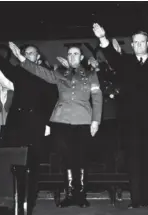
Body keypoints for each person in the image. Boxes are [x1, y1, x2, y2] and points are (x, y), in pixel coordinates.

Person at [8, 41, 103, 208]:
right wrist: (22, 59)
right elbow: (40, 71)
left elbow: (97, 97)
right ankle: (69, 195)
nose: (72, 56)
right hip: (61, 121)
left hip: (83, 120)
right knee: (66, 159)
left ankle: (80, 196)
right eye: (70, 54)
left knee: (80, 158)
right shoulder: (59, 72)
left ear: (81, 57)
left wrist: (96, 121)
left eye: (75, 54)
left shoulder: (91, 74)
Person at [0, 33, 56, 214]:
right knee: (13, 162)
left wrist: (48, 123)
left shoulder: (47, 75)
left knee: (32, 165)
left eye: (32, 53)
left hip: (36, 124)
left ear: (38, 57)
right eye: (26, 52)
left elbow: (52, 100)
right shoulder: (20, 73)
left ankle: (28, 202)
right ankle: (13, 200)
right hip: (17, 124)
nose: (28, 55)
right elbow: (1, 64)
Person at [92, 23, 148, 209]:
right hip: (130, 120)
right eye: (135, 42)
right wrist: (103, 38)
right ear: (132, 45)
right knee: (133, 160)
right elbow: (111, 57)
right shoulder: (126, 62)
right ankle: (136, 200)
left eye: (141, 42)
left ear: (147, 44)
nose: (138, 45)